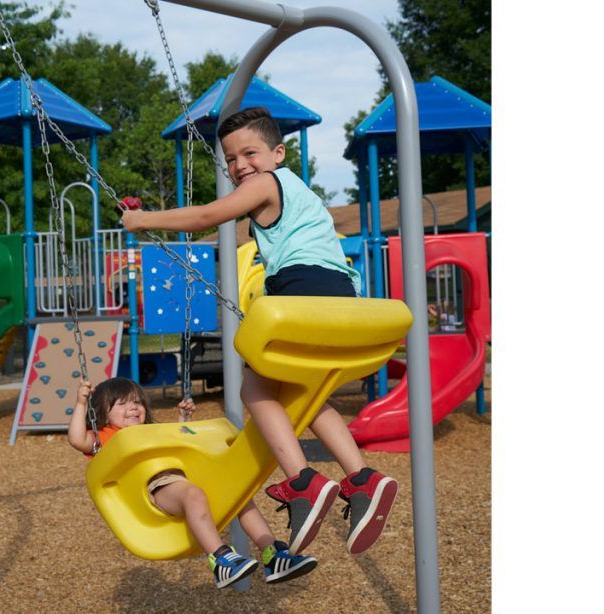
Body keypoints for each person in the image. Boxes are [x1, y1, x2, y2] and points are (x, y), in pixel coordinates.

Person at [122, 107, 398, 556]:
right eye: (230, 159)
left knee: (254, 387)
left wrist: (144, 220)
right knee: (306, 396)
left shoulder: (265, 183)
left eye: (249, 152)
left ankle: (304, 482)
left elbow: (205, 217)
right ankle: (363, 479)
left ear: (277, 152)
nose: (239, 166)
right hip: (340, 293)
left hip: (302, 288)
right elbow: (236, 231)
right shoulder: (293, 191)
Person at [68, 376, 317, 588]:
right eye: (121, 404)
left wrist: (181, 421)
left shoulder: (151, 430)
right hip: (156, 489)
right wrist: (81, 403)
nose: (133, 408)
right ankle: (221, 560)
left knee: (239, 494)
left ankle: (273, 554)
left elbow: (179, 446)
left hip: (184, 479)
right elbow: (77, 439)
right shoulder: (106, 436)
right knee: (193, 495)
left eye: (137, 402)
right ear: (103, 412)